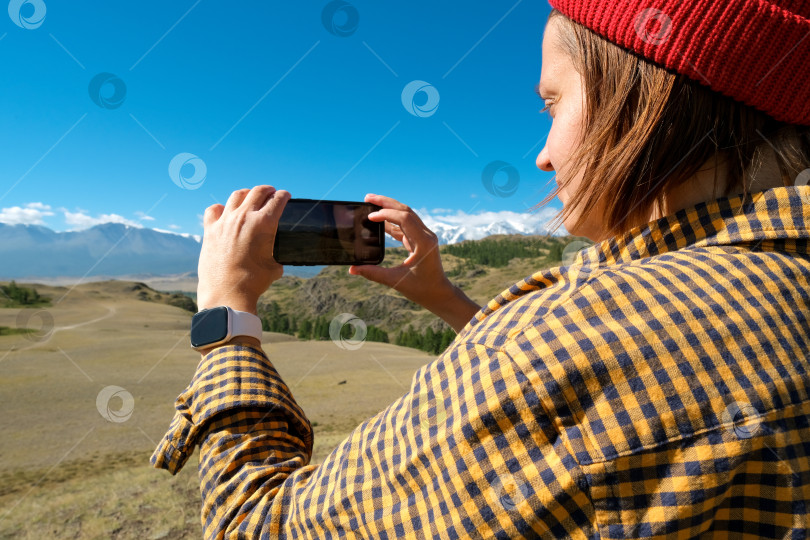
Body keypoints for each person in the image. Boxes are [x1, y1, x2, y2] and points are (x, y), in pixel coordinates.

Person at [152, 0, 810, 537]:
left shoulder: (549, 347)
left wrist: (227, 314)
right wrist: (445, 299)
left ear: (645, 99)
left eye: (553, 104)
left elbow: (257, 524)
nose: (545, 155)